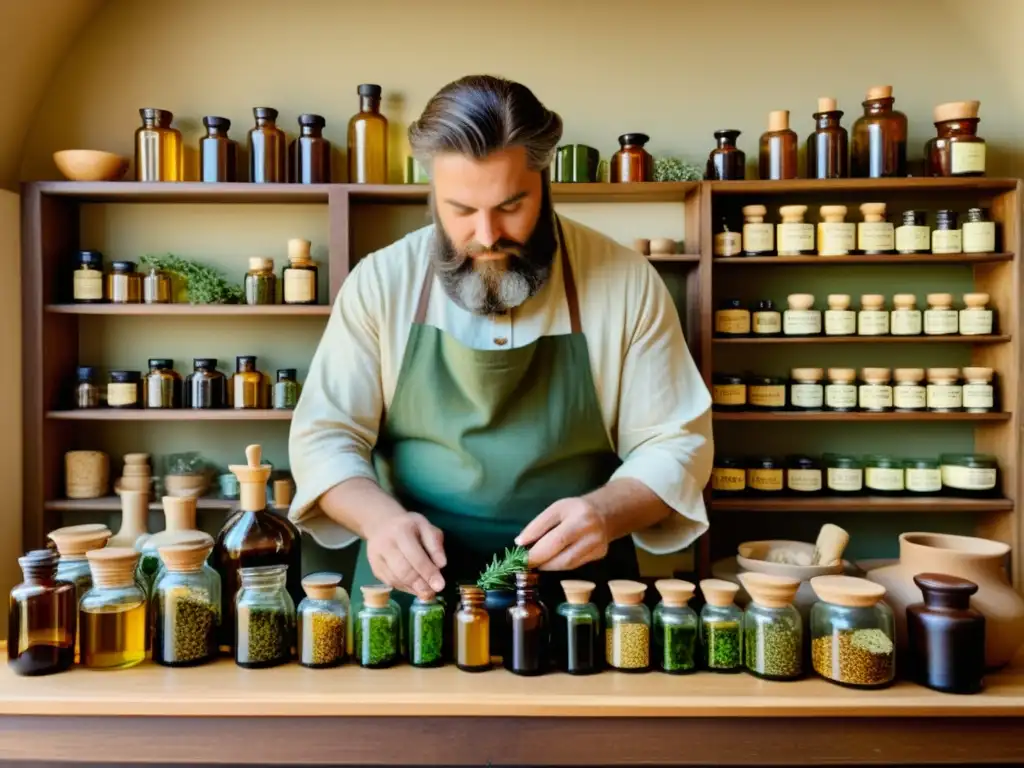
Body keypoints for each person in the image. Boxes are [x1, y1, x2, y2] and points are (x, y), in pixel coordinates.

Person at [288, 75, 712, 611]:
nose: (487, 235)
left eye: (511, 206)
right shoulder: (381, 282)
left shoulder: (626, 282)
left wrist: (606, 512)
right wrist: (380, 519)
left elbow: (675, 442)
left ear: (545, 181)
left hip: (575, 597)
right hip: (408, 594)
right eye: (461, 210)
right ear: (433, 192)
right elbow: (324, 437)